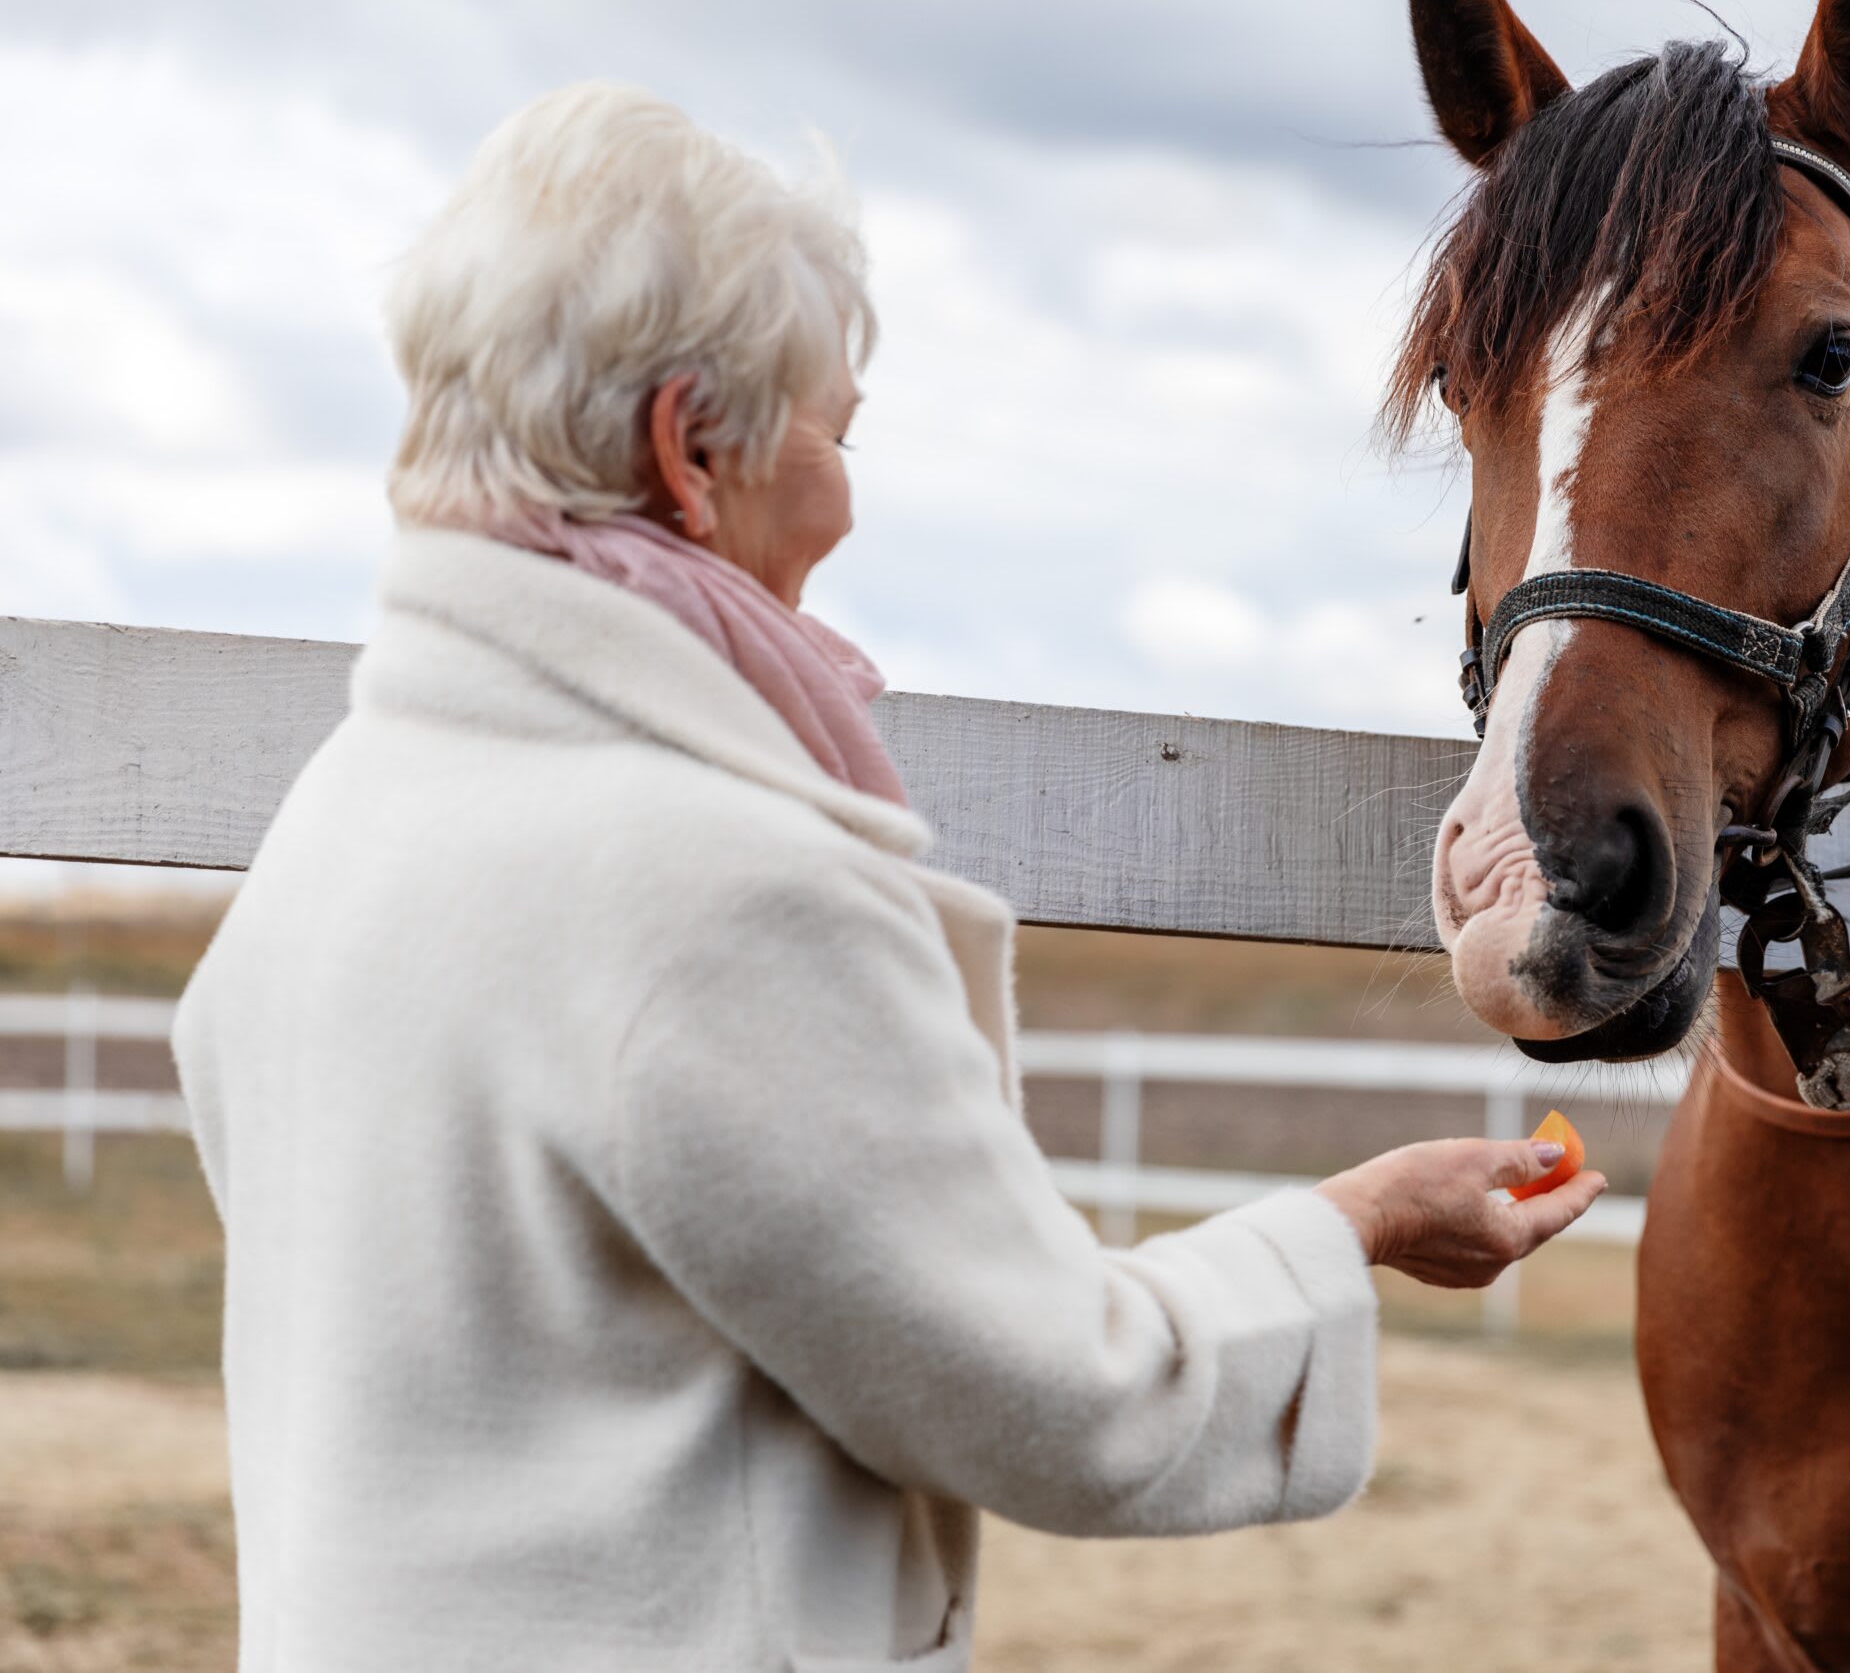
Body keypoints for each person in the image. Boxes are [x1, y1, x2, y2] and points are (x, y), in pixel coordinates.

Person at [172, 81, 1604, 1672]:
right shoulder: (713, 892)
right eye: (834, 435)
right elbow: (1067, 1396)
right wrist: (1364, 1221)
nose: (848, 505)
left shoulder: (336, 830)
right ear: (688, 448)